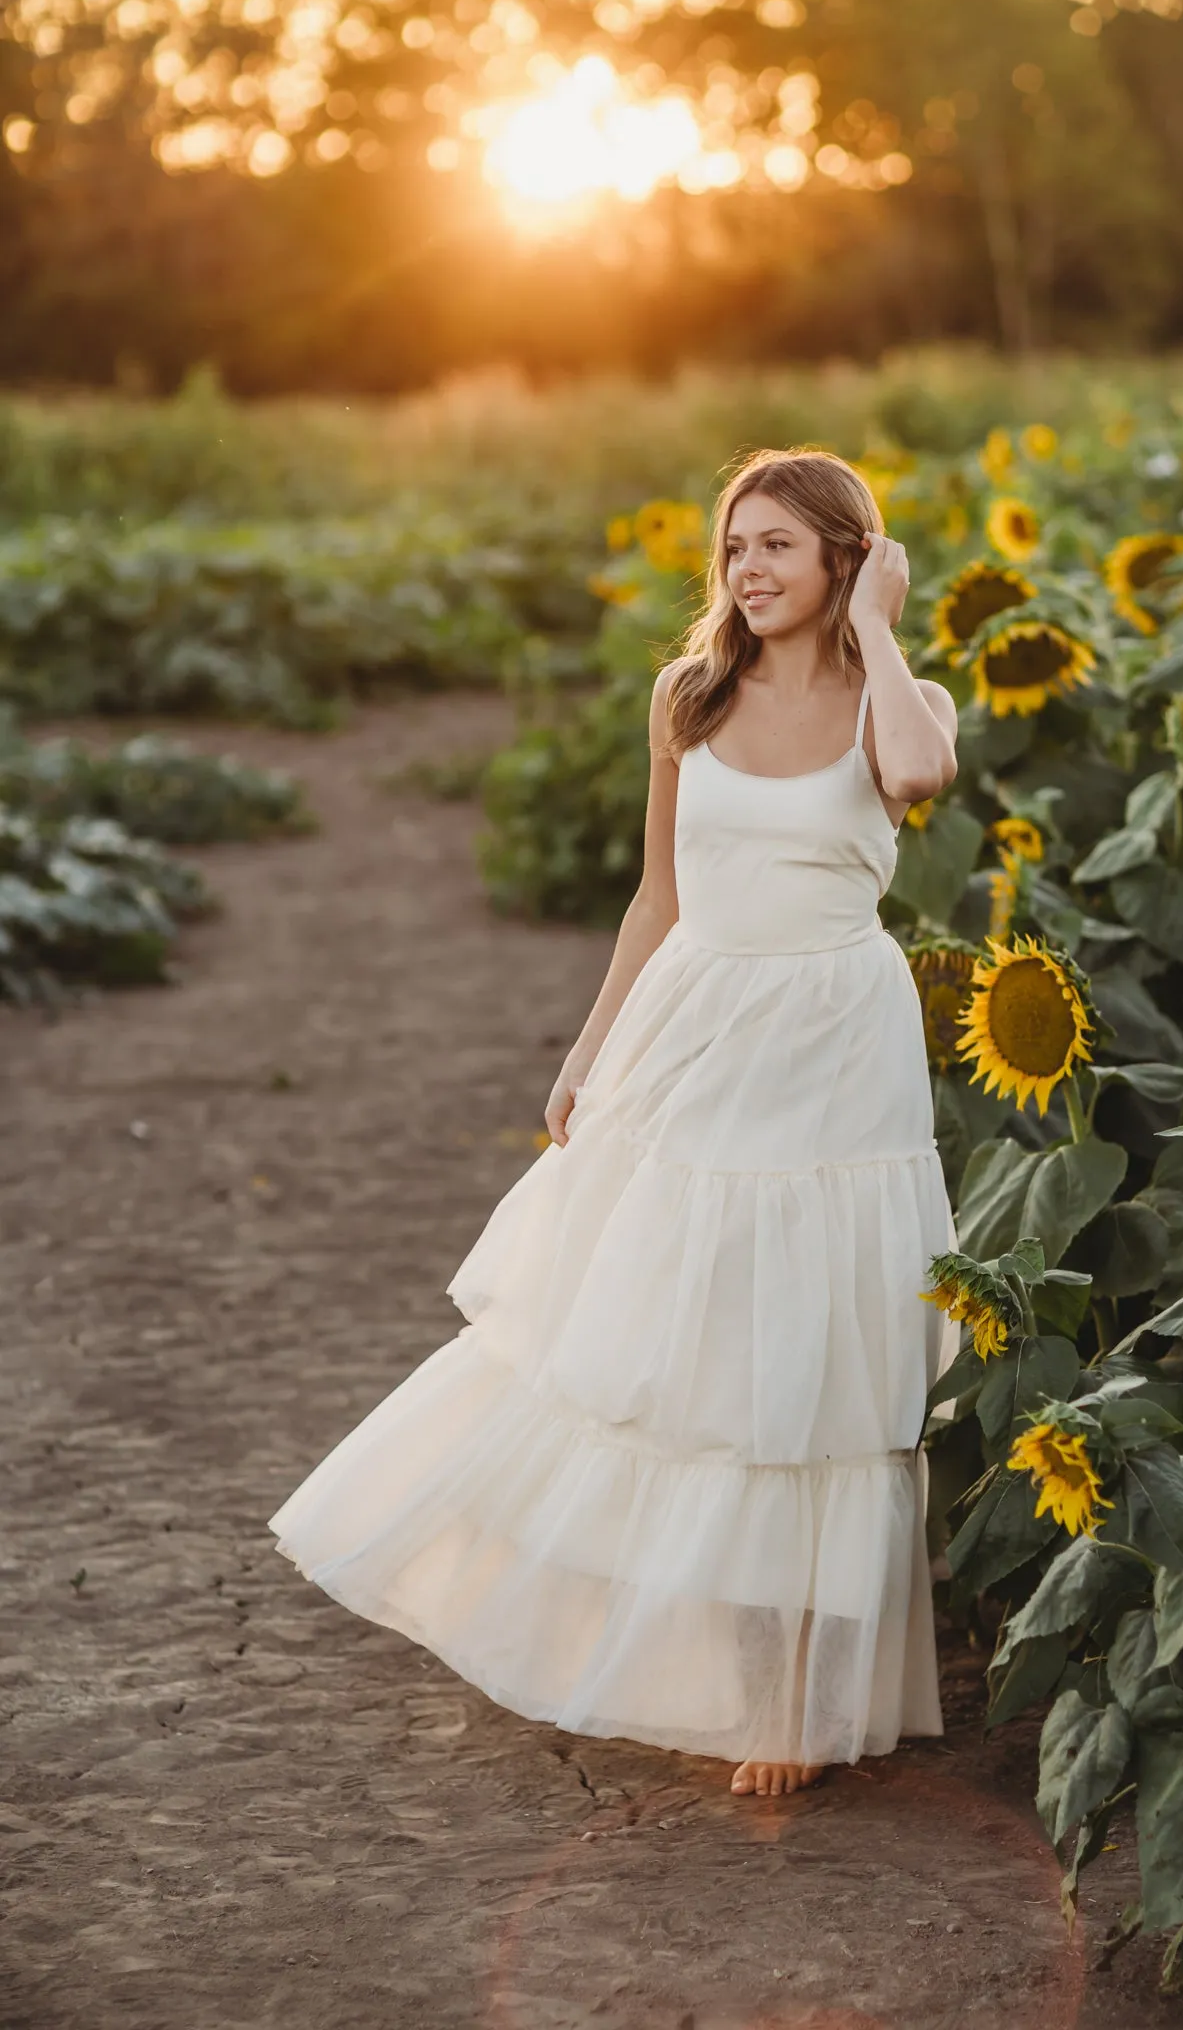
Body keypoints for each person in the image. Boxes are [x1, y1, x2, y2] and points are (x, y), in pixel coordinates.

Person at [269, 447, 962, 1800]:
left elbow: (923, 779)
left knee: (811, 1356)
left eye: (779, 546)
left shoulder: (901, 697)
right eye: (735, 548)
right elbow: (659, 898)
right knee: (679, 1339)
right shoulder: (687, 699)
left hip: (837, 1044)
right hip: (699, 1029)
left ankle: (796, 1697)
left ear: (846, 557)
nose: (749, 570)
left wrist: (879, 631)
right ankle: (699, 1654)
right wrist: (589, 1051)